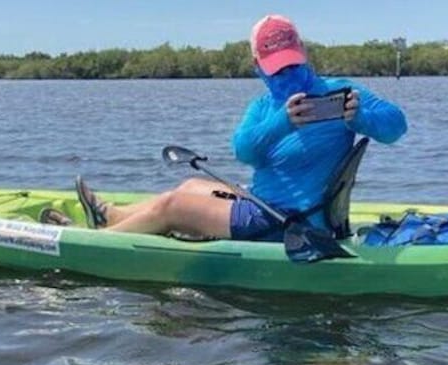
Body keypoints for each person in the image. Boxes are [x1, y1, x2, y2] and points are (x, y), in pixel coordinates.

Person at [45, 14, 407, 241]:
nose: (287, 75)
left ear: (305, 52)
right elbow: (243, 150)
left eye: (292, 64)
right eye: (277, 68)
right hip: (264, 202)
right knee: (191, 185)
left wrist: (361, 118)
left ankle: (97, 240)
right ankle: (111, 215)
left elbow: (396, 127)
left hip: (283, 222)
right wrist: (282, 123)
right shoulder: (264, 107)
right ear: (258, 65)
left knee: (175, 205)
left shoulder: (342, 92)